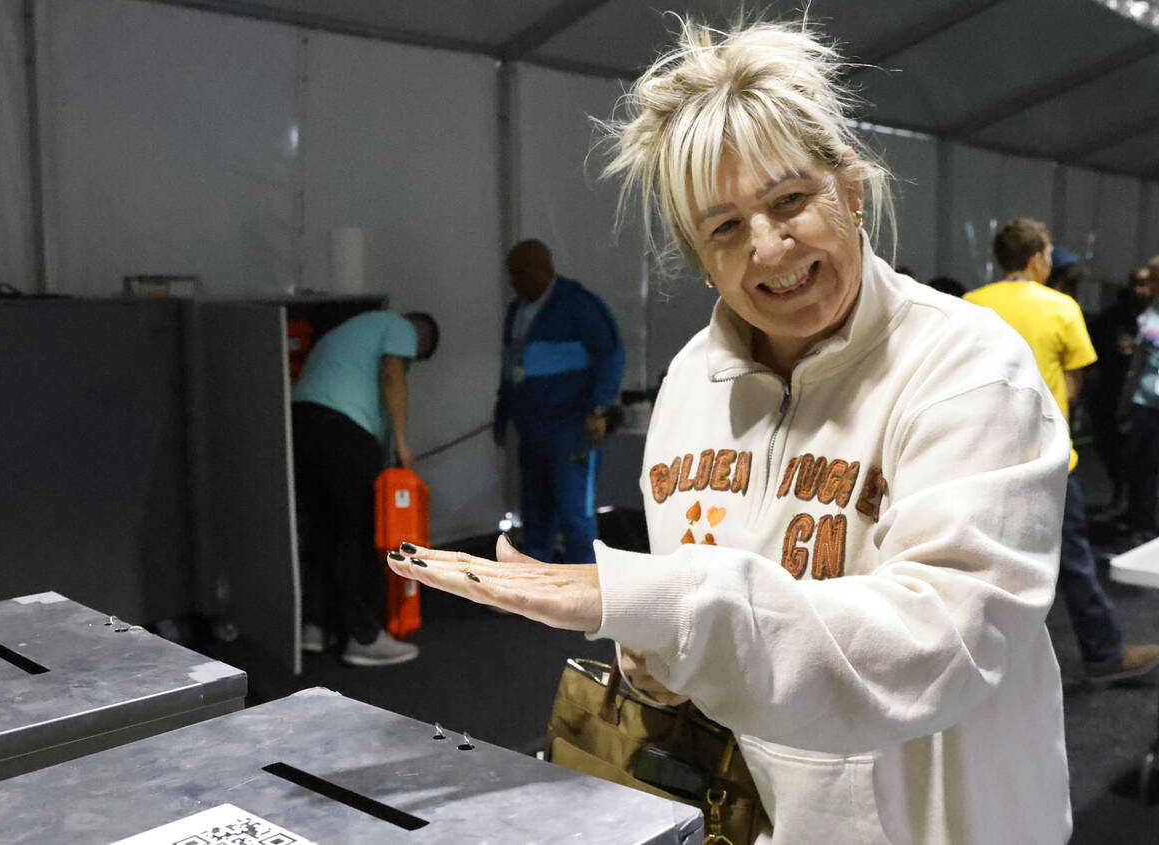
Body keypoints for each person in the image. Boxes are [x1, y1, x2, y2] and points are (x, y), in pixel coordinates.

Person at [394, 17, 1077, 843]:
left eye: (790, 200)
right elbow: (701, 613)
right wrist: (656, 657)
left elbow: (948, 639)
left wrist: (662, 604)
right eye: (724, 228)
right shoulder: (693, 382)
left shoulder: (969, 368)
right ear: (700, 256)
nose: (768, 245)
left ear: (850, 190)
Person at [964, 220, 1159, 683]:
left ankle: (973, 661)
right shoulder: (1061, 306)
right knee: (1072, 560)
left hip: (983, 458)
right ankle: (1104, 653)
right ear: (1036, 259)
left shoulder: (971, 304)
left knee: (981, 561)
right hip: (1047, 456)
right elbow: (1073, 386)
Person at [292, 309, 438, 666]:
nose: (410, 362)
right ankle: (363, 637)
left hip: (301, 424)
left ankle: (314, 625)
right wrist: (402, 444)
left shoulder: (353, 331)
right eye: (416, 357)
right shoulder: (400, 328)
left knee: (319, 531)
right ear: (420, 339)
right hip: (345, 432)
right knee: (357, 533)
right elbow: (392, 374)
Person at [493, 239, 624, 564]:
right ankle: (538, 588)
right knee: (535, 512)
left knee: (574, 512)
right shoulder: (516, 310)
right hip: (531, 429)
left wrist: (599, 408)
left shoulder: (577, 304)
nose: (513, 283)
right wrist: (502, 414)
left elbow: (611, 355)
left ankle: (586, 587)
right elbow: (510, 366)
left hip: (571, 427)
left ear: (542, 270)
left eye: (518, 275)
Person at [1091, 264, 1153, 518]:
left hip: (1146, 400)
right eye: (1134, 284)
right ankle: (1121, 497)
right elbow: (1092, 352)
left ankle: (1140, 511)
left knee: (1143, 459)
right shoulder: (1111, 318)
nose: (1139, 290)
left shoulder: (1153, 317)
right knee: (1110, 448)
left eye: (1145, 284)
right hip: (1112, 394)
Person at [1119, 256, 1159, 546]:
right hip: (1144, 402)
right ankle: (1141, 524)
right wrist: (1125, 407)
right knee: (1141, 465)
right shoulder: (1149, 316)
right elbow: (1137, 367)